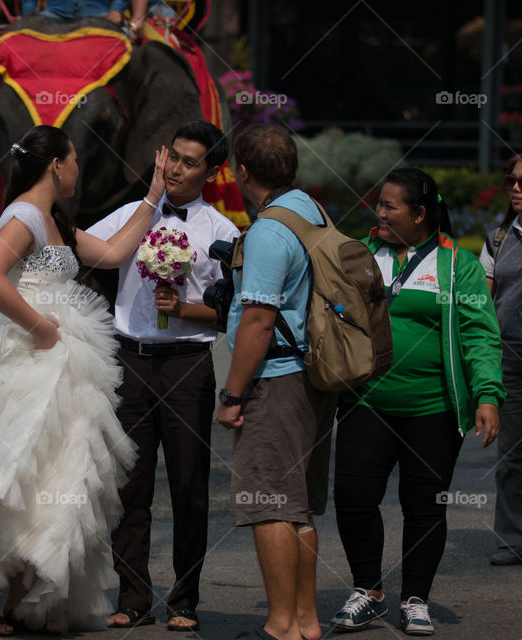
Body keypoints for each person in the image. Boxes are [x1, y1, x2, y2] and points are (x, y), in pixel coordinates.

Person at [0, 124, 167, 635]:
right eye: (75, 159)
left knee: (50, 469)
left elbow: (115, 254)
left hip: (64, 363)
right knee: (2, 467)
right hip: (31, 355)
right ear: (57, 164)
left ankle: (22, 592)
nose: (80, 168)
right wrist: (42, 328)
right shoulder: (25, 213)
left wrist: (154, 195)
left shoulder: (53, 217)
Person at [330, 168, 503, 636]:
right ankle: (368, 591)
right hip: (367, 402)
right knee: (353, 498)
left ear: (420, 214)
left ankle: (415, 598)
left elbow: (479, 334)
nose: (378, 213)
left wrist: (487, 394)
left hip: (434, 409)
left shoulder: (457, 265)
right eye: (378, 204)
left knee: (424, 506)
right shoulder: (362, 254)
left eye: (389, 207)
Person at [87, 120, 239, 632]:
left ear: (212, 171)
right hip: (128, 360)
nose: (174, 167)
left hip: (187, 364)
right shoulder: (133, 213)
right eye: (171, 156)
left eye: (188, 161)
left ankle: (184, 599)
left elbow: (232, 313)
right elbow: (82, 251)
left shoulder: (222, 232)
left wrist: (185, 309)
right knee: (128, 487)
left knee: (189, 486)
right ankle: (132, 596)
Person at [215, 123, 337, 640]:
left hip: (276, 379)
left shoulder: (267, 231)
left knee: (268, 505)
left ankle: (279, 625)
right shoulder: (310, 210)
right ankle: (306, 621)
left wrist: (234, 394)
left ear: (243, 172)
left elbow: (259, 321)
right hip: (312, 378)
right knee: (298, 506)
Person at [479, 154, 522, 567]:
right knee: (511, 453)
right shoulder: (498, 238)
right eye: (511, 179)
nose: (515, 187)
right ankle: (511, 539)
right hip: (511, 354)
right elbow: (484, 302)